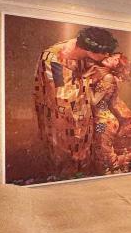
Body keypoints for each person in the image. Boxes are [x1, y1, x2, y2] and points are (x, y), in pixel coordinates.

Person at [34, 26, 118, 178]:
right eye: (105, 53)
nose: (107, 56)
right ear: (91, 50)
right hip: (60, 118)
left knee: (88, 156)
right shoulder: (53, 58)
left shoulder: (88, 57)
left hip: (86, 119)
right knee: (64, 157)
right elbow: (61, 96)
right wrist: (86, 79)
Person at [85, 53, 131, 175]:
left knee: (106, 163)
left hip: (103, 122)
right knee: (100, 159)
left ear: (117, 66)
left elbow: (94, 101)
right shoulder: (107, 76)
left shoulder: (108, 77)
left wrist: (84, 81)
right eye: (112, 56)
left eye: (115, 59)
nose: (109, 58)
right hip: (103, 119)